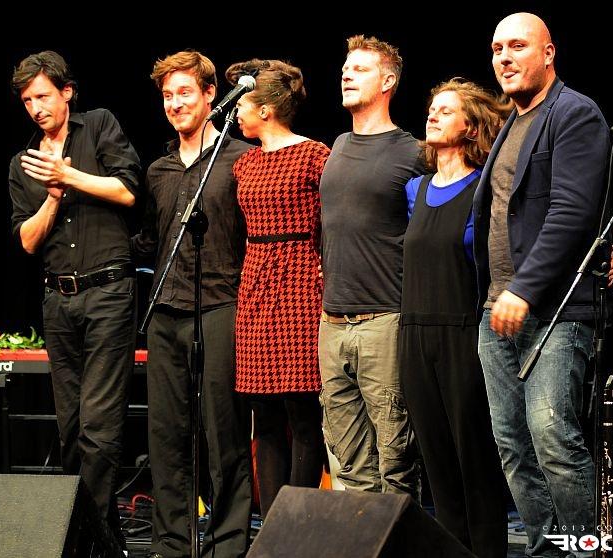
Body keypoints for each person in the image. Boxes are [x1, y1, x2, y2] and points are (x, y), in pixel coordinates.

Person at [473, 13, 611, 557]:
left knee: (554, 440)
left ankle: (585, 551)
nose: (504, 58)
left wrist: (524, 289)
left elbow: (572, 212)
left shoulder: (574, 113)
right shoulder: (512, 122)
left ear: (548, 53)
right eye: (497, 48)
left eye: (517, 46)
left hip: (553, 311)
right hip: (497, 311)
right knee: (514, 448)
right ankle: (545, 549)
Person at [8, 50, 140, 557]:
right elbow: (27, 240)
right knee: (71, 429)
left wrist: (69, 177)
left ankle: (84, 542)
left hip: (107, 293)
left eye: (43, 96)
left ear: (66, 92)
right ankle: (101, 538)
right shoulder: (23, 162)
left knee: (100, 428)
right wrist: (52, 195)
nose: (36, 108)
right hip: (58, 300)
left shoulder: (99, 125)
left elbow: (128, 190)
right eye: (27, 101)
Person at [131, 50, 252, 558]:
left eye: (185, 93)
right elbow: (146, 241)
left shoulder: (241, 159)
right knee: (166, 435)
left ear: (209, 95)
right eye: (167, 95)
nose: (175, 103)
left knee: (223, 433)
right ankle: (172, 544)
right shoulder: (158, 169)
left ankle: (228, 544)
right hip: (166, 310)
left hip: (222, 306)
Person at [400, 79, 510, 558]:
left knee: (475, 462)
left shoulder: (483, 188)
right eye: (432, 108)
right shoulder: (415, 189)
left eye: (446, 110)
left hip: (463, 333)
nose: (433, 115)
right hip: (413, 335)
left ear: (470, 127)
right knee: (437, 464)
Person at [318, 35, 425, 497]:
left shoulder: (413, 151)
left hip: (384, 320)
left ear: (387, 81)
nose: (347, 74)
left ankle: (402, 535)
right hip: (332, 322)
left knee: (395, 460)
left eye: (360, 69)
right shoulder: (339, 144)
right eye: (345, 68)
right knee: (348, 463)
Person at [225, 59, 329, 518]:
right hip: (255, 282)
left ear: (265, 109)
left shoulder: (314, 155)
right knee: (263, 413)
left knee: (302, 411)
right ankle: (271, 528)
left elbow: (333, 222)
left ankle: (299, 525)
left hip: (301, 280)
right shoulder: (244, 163)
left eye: (242, 105)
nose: (236, 113)